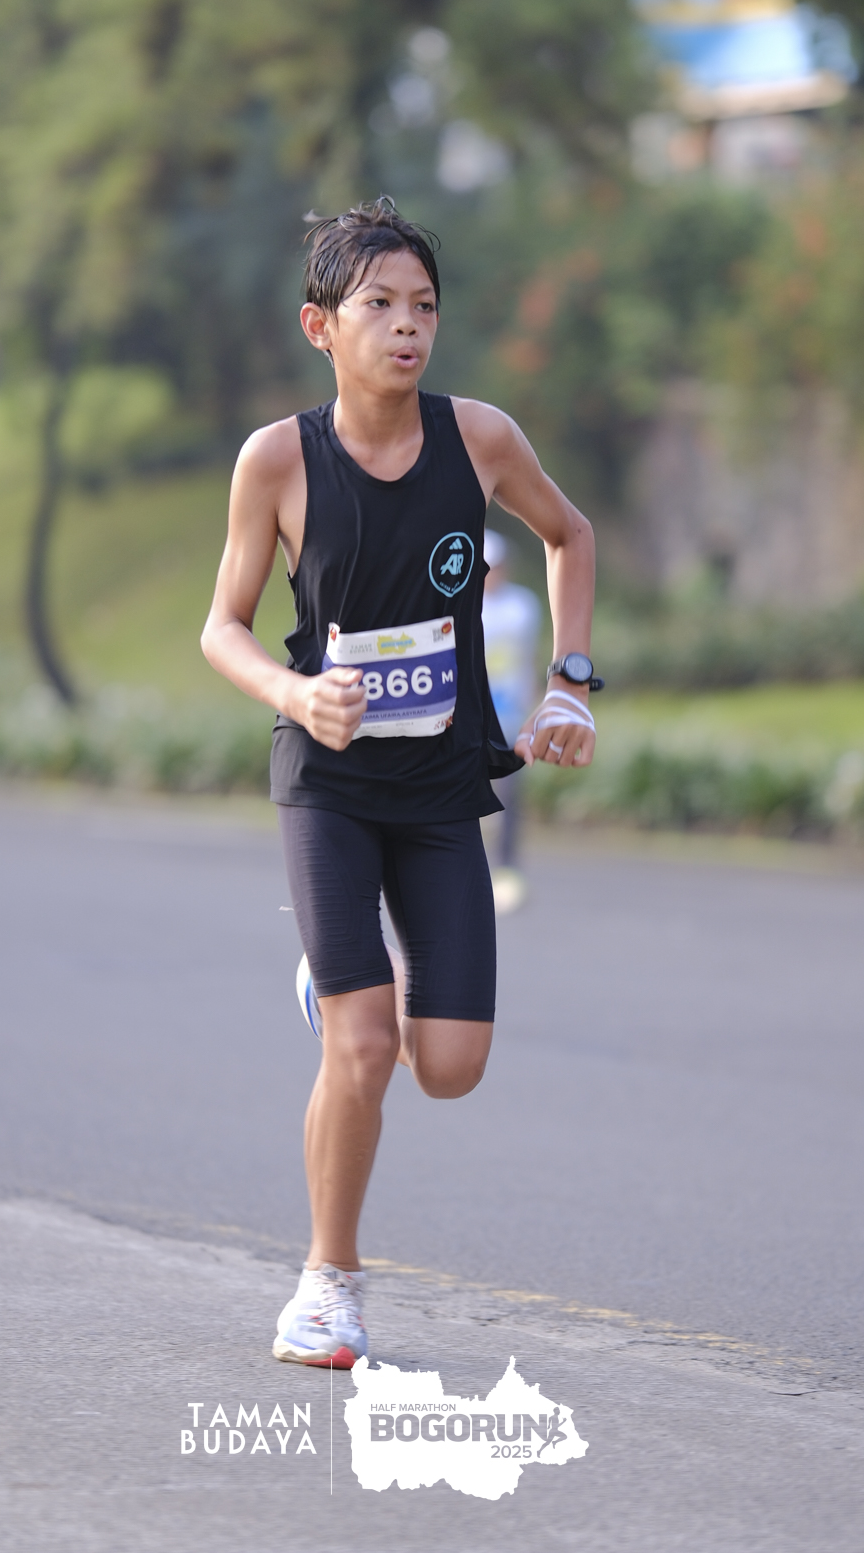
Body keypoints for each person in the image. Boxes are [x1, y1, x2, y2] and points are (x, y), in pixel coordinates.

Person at [201, 197, 600, 1371]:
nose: (407, 325)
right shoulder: (278, 460)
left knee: (450, 1068)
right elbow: (221, 628)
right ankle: (325, 1288)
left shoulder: (477, 440)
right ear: (320, 326)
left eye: (423, 305)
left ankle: (336, 989)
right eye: (378, 304)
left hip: (438, 787)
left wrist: (569, 684)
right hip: (326, 784)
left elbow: (569, 536)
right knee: (365, 1048)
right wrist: (293, 695)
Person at [481, 529, 541, 916]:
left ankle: (505, 870)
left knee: (508, 797)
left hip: (509, 717)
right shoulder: (462, 605)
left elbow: (528, 660)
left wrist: (534, 709)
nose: (493, 573)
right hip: (469, 718)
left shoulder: (522, 606)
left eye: (498, 566)